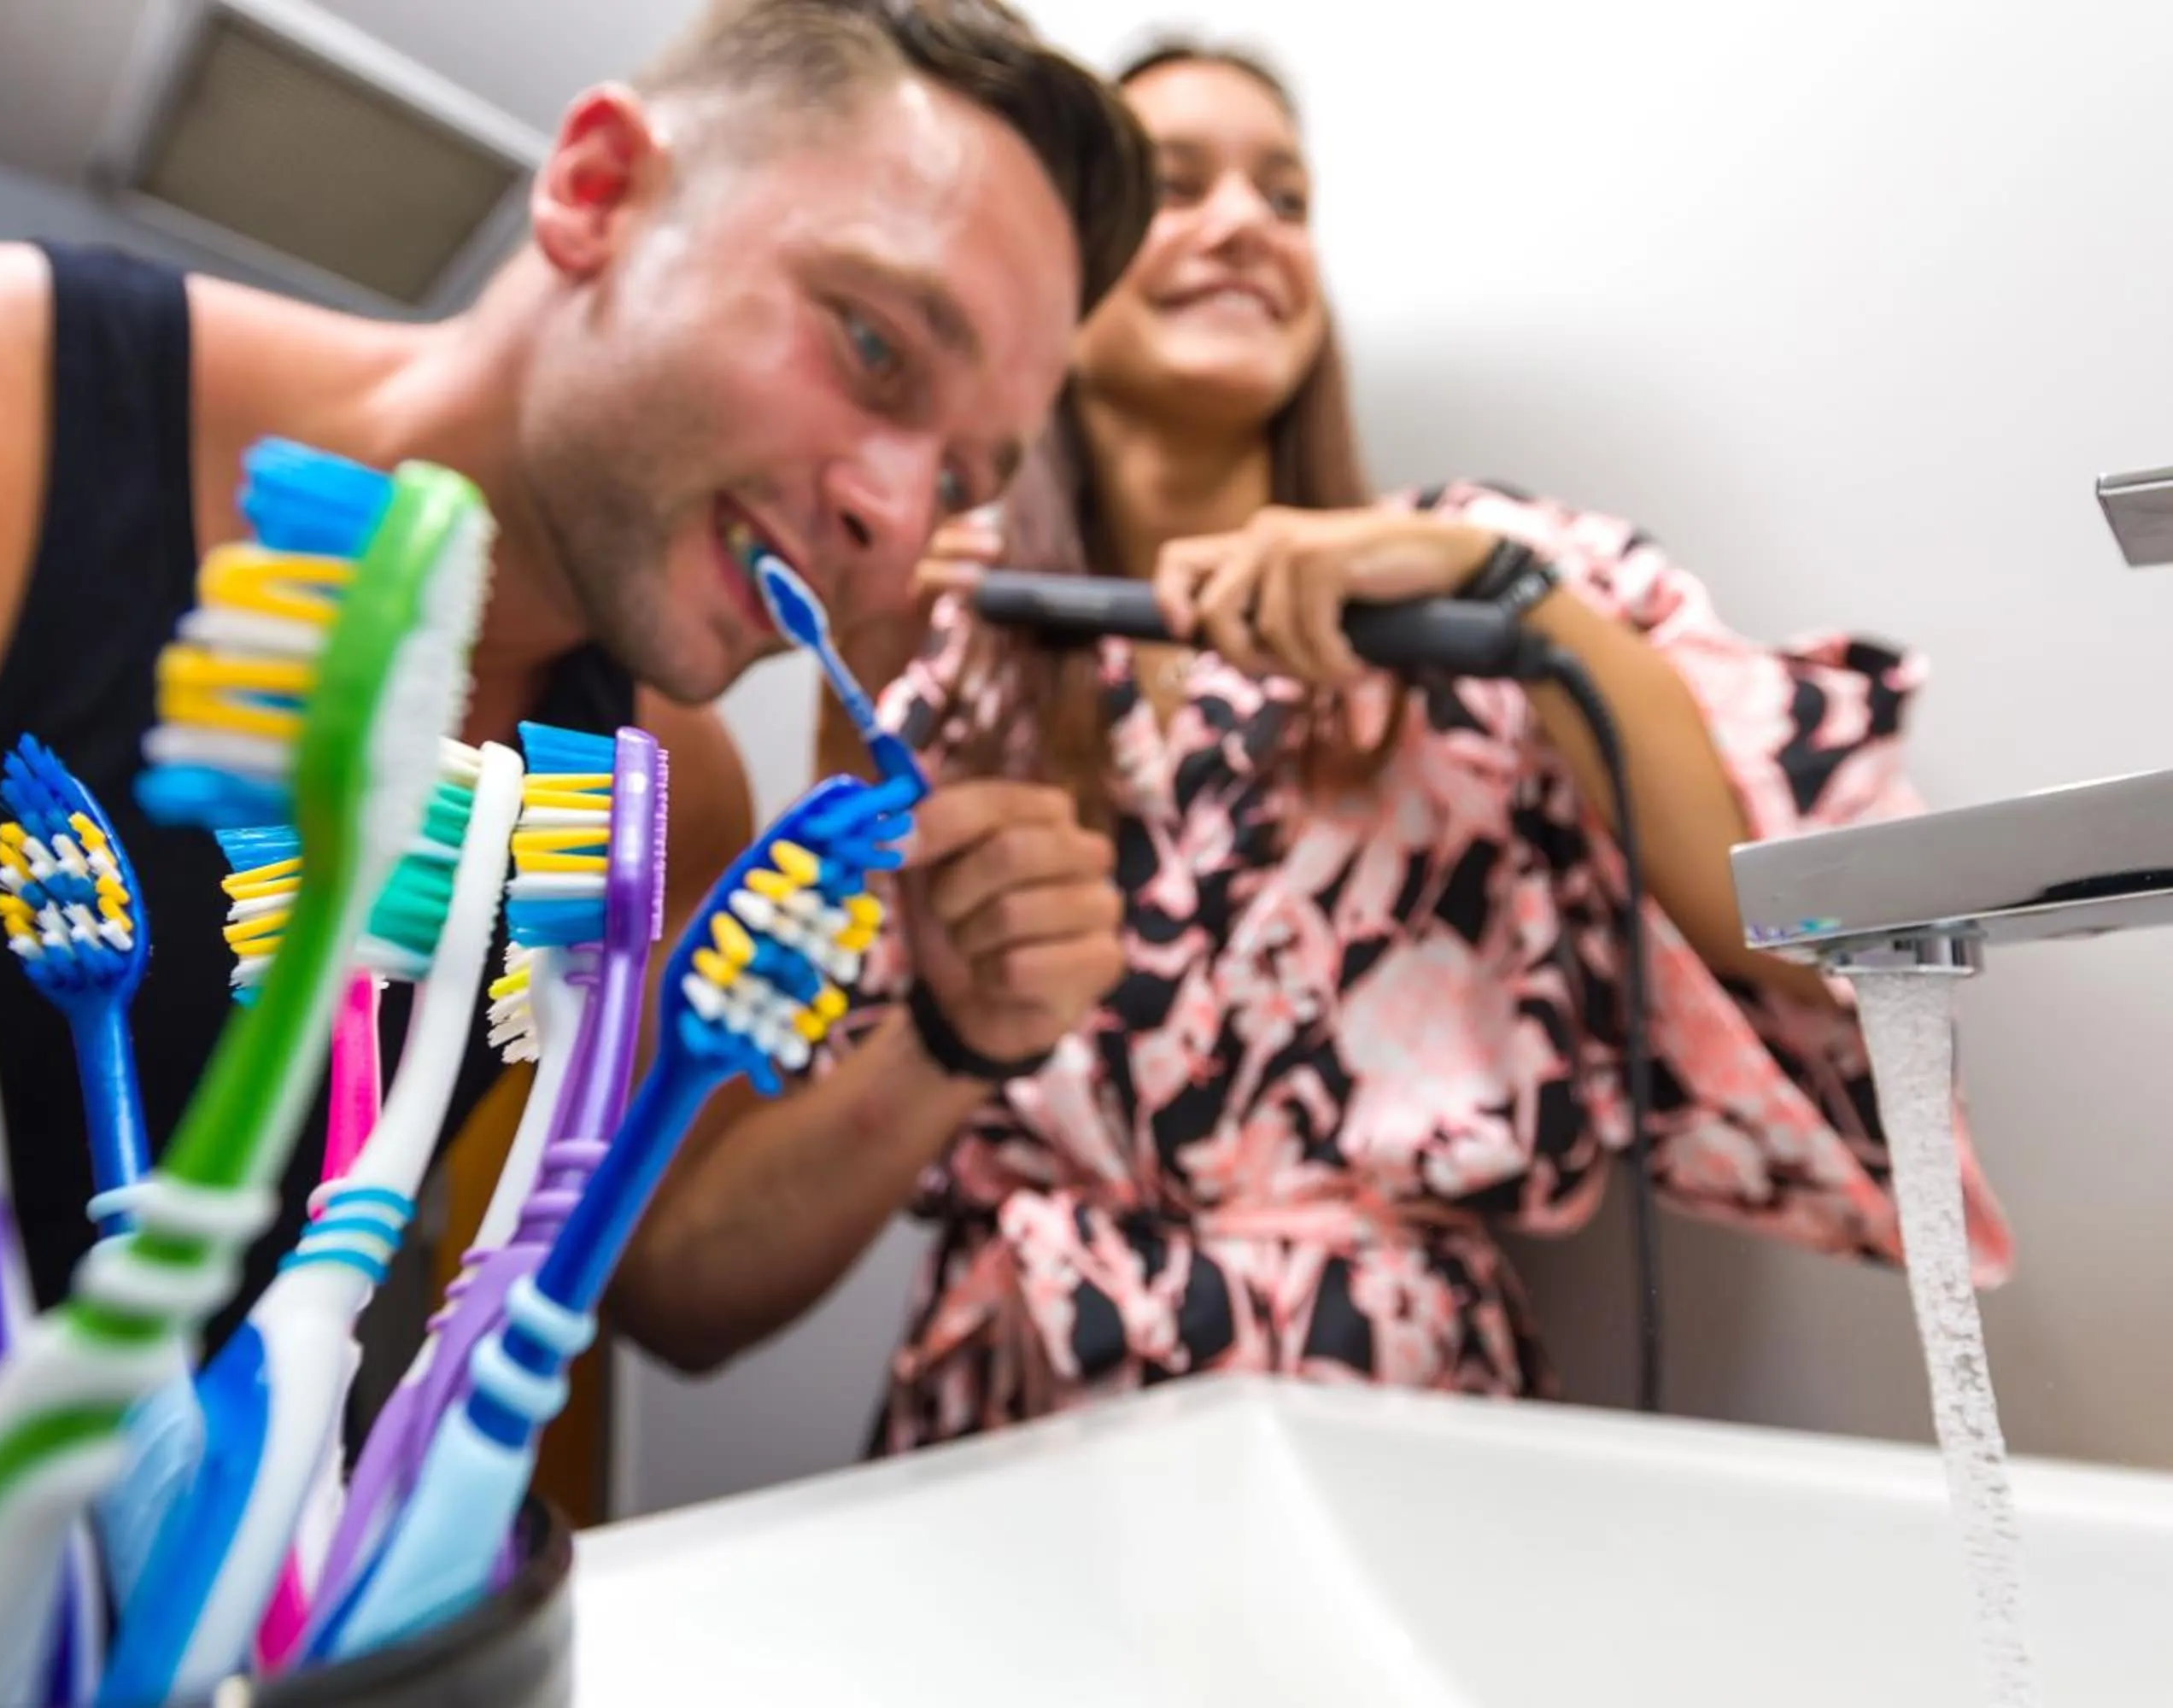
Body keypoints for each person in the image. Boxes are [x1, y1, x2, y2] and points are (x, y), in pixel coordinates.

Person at [0, 0, 1153, 1537]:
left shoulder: (656, 789)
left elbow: (664, 1274)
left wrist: (948, 1038)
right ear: (597, 191)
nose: (899, 514)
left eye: (963, 474)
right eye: (872, 344)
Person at [609, 38, 2015, 1448]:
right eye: (1176, 187)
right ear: (1051, 294)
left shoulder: (1494, 582)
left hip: (1403, 1429)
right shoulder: (935, 653)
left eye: (1286, 198)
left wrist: (1506, 589)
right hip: (1021, 1426)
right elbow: (698, 1264)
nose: (1244, 227)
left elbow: (1820, 925)